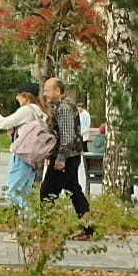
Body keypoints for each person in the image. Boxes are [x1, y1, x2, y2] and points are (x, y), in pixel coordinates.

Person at [0, 82, 47, 232]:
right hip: (33, 157)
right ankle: (30, 226)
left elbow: (3, 122)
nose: (16, 98)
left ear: (25, 96)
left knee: (13, 192)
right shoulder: (40, 111)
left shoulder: (26, 110)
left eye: (18, 95)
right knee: (27, 193)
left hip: (21, 156)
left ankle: (24, 227)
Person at [40, 77, 93, 240]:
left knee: (47, 192)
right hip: (69, 157)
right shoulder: (63, 106)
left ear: (58, 91)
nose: (44, 93)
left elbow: (67, 136)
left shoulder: (64, 108)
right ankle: (88, 228)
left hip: (66, 158)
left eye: (47, 90)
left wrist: (60, 158)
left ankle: (46, 230)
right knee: (74, 192)